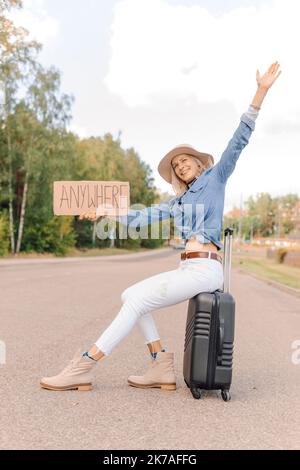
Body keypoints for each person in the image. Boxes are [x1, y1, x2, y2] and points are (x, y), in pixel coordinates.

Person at [40, 62, 282, 392]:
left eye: (186, 161)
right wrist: (103, 211)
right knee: (131, 295)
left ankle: (84, 365)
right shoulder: (177, 202)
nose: (181, 166)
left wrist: (261, 92)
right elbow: (141, 216)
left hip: (204, 270)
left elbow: (238, 141)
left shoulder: (216, 178)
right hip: (187, 268)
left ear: (199, 163)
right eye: (177, 166)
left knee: (137, 302)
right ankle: (160, 365)